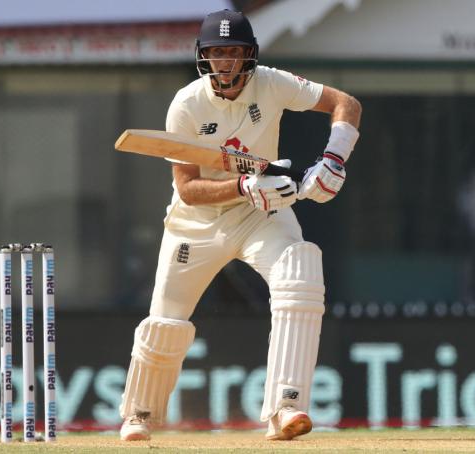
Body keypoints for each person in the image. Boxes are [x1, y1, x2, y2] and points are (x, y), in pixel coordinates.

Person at [119, 9, 361, 441]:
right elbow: (189, 189)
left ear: (249, 56)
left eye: (233, 52)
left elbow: (345, 103)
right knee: (166, 323)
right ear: (203, 58)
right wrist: (245, 185)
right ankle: (139, 413)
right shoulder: (187, 104)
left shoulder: (271, 82)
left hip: (260, 214)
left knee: (300, 273)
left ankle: (286, 407)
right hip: (196, 223)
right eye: (216, 53)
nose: (225, 63)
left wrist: (333, 158)